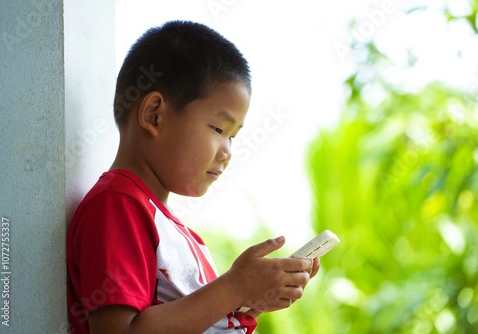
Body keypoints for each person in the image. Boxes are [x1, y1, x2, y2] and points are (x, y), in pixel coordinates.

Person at [66, 20, 320, 334]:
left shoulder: (176, 233)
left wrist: (250, 300)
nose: (227, 151)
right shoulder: (117, 206)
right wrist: (234, 288)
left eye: (233, 137)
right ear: (154, 115)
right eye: (218, 129)